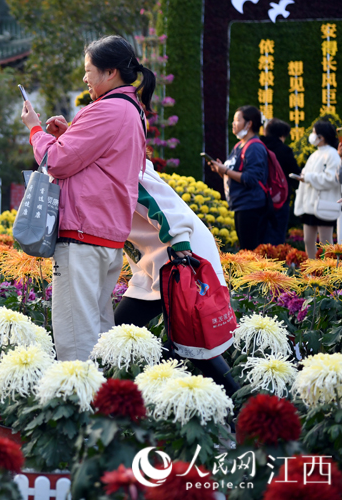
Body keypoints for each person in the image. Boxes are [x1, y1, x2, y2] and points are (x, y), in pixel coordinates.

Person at [21, 35, 152, 361]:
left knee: (76, 340)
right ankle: (104, 402)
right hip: (105, 237)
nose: (85, 78)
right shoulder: (131, 110)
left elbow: (57, 161)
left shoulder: (107, 109)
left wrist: (35, 130)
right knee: (98, 333)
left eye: (88, 70)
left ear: (109, 72)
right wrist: (70, 135)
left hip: (82, 236)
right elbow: (101, 160)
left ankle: (81, 406)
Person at [116, 155, 239, 397]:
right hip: (157, 265)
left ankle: (237, 404)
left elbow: (160, 200)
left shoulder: (121, 163)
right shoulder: (113, 161)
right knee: (123, 333)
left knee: (196, 343)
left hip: (181, 258)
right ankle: (187, 390)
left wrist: (179, 238)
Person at [209, 106, 270, 251]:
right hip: (240, 204)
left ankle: (253, 274)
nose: (233, 124)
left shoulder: (254, 147)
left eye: (237, 120)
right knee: (245, 248)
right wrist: (221, 171)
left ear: (249, 124)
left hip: (251, 205)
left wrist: (226, 170)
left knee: (249, 250)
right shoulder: (239, 146)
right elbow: (233, 176)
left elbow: (251, 178)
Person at [292, 118, 342, 258]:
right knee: (308, 240)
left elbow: (332, 179)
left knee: (326, 242)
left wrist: (308, 177)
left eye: (314, 132)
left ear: (321, 136)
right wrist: (304, 177)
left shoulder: (332, 154)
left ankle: (328, 273)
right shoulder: (315, 154)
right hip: (310, 206)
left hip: (324, 205)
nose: (312, 136)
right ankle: (312, 272)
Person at [260, 118, 301, 245]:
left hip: (260, 197)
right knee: (277, 234)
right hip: (280, 198)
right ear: (282, 135)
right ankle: (277, 263)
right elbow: (295, 173)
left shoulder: (259, 147)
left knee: (262, 234)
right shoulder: (285, 150)